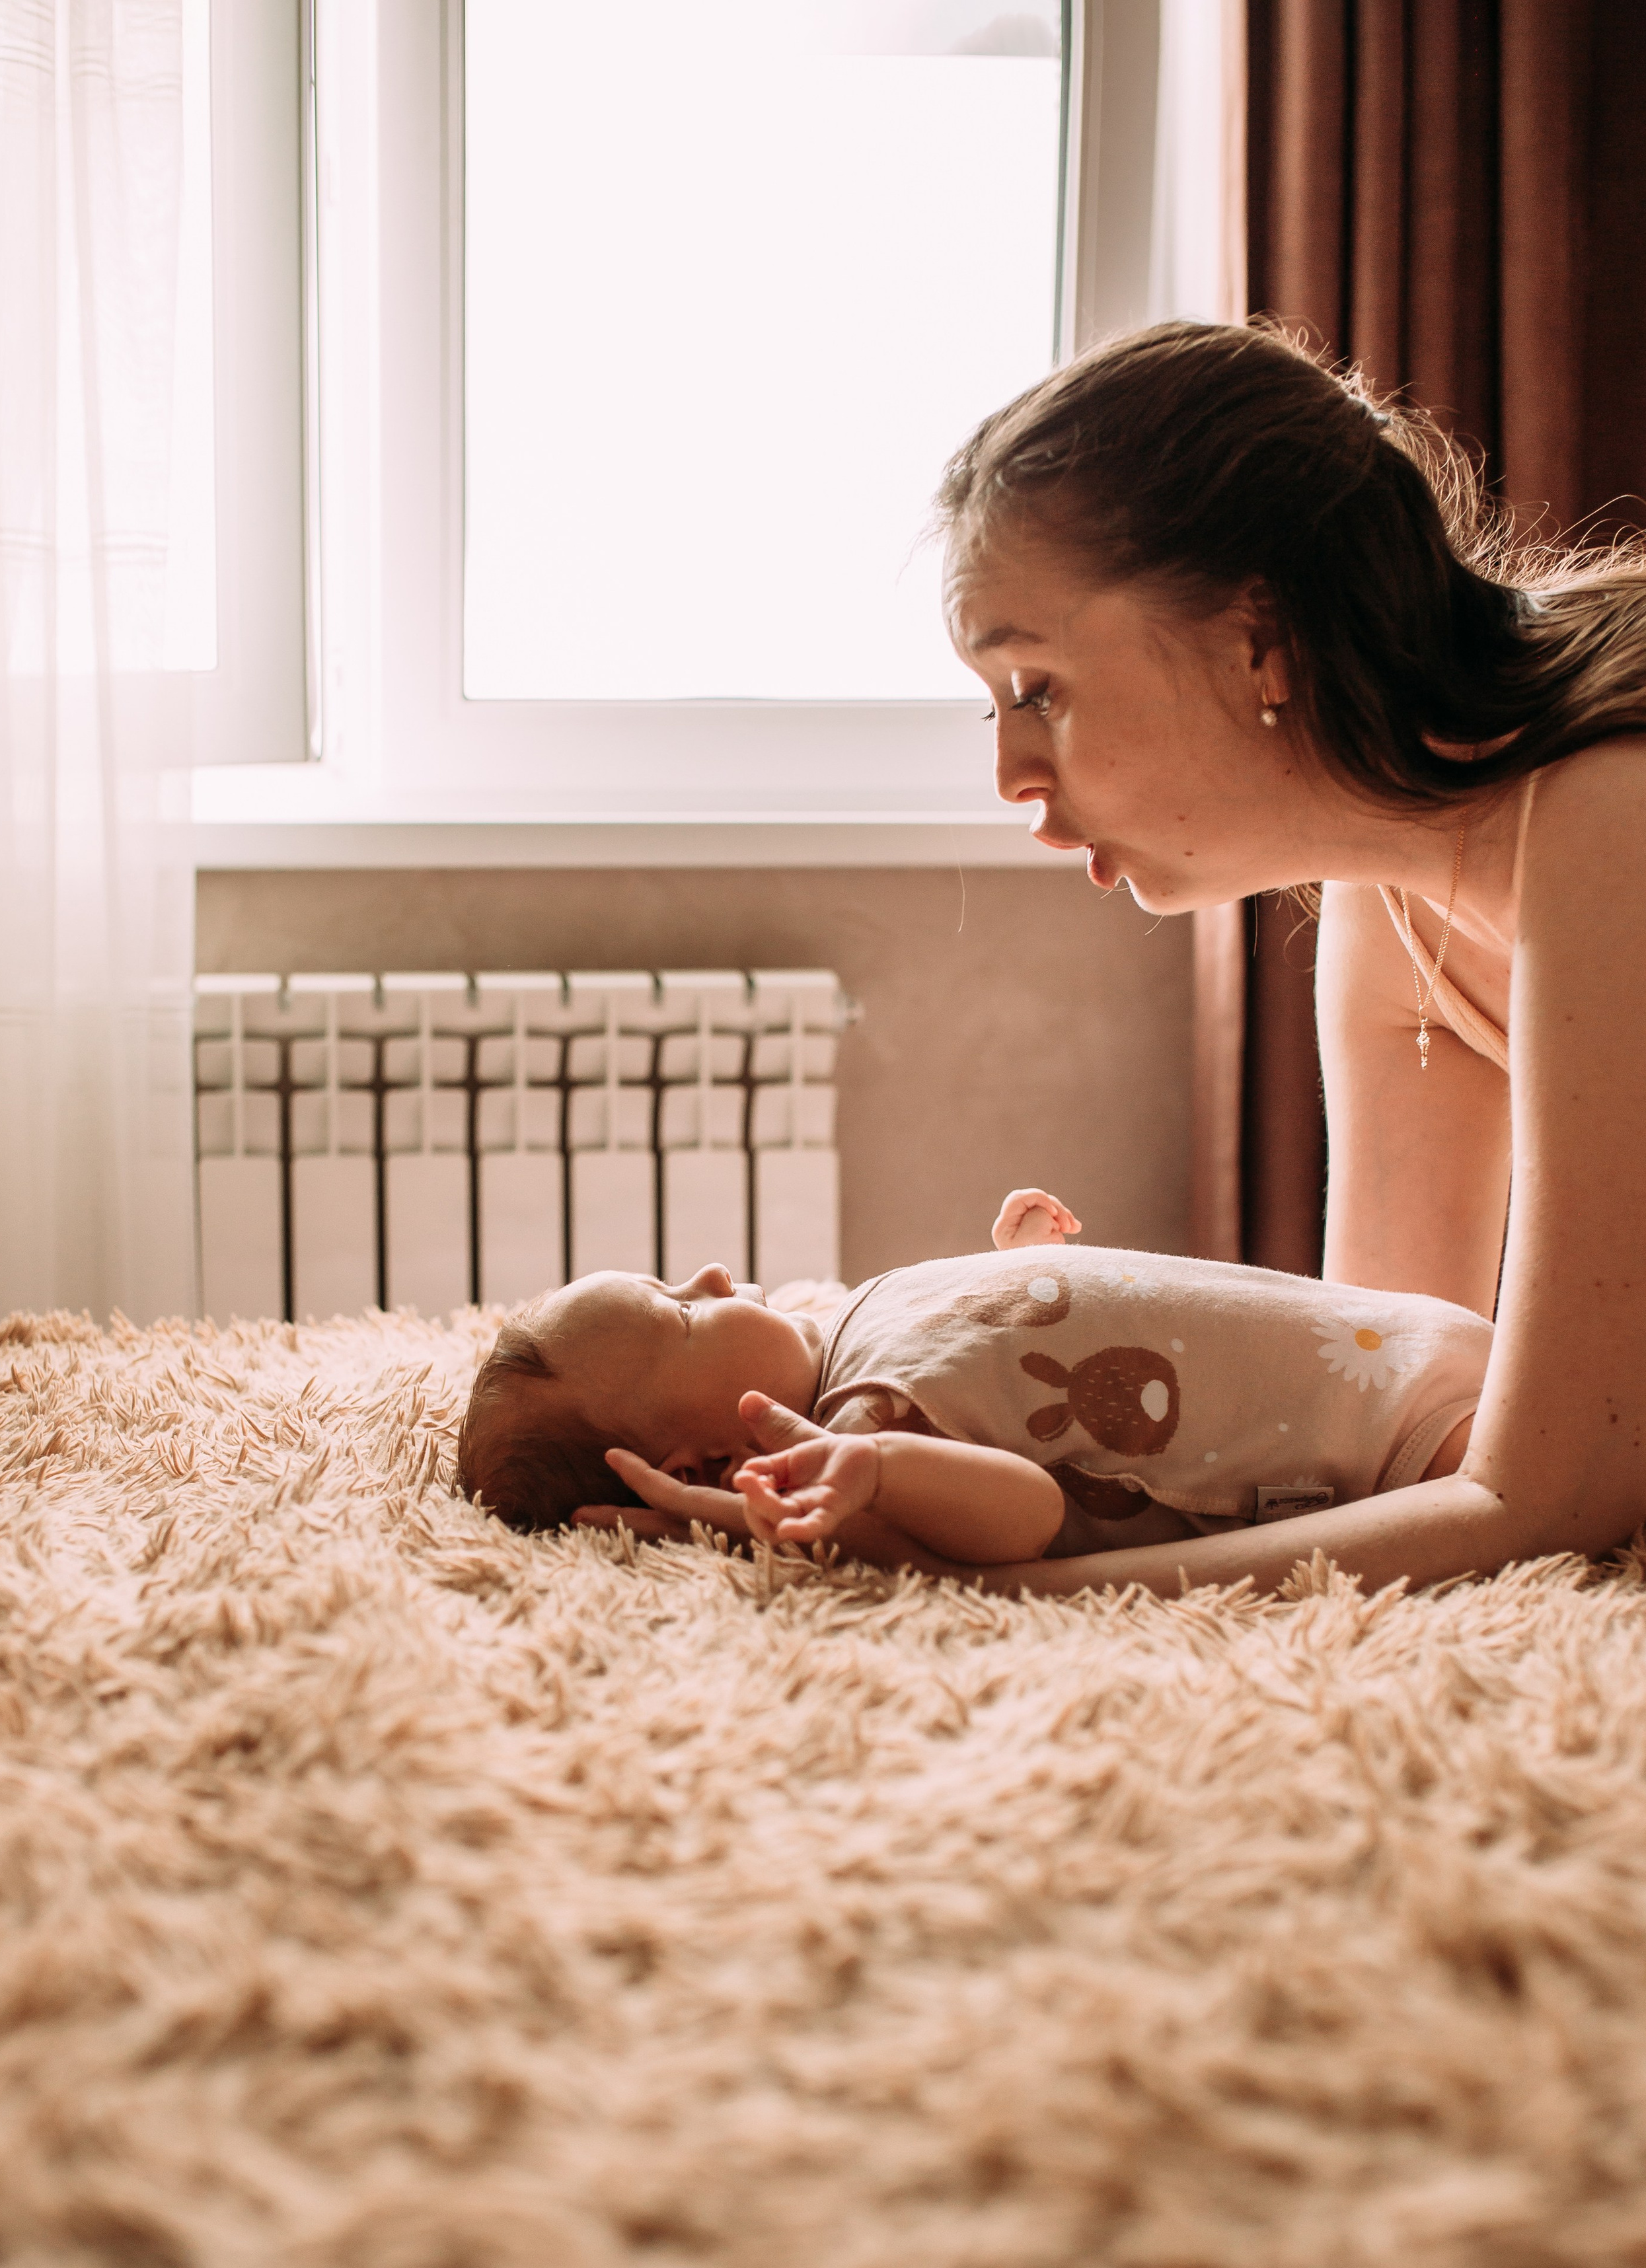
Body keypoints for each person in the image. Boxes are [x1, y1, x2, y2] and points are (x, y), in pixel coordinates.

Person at [905, 316, 1646, 1597]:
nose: (1011, 776)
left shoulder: (1603, 810)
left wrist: (1017, 1599)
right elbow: (1376, 1407)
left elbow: (1551, 1493)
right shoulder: (1390, 904)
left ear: (1259, 641)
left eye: (1038, 688)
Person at [456, 1188, 1489, 1580]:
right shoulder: (854, 1439)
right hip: (1382, 1436)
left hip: (1382, 1339)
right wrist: (872, 1470)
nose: (714, 1276)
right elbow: (1029, 1510)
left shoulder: (852, 1333)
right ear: (707, 1460)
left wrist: (1016, 1272)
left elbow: (992, 1359)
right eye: (682, 1309)